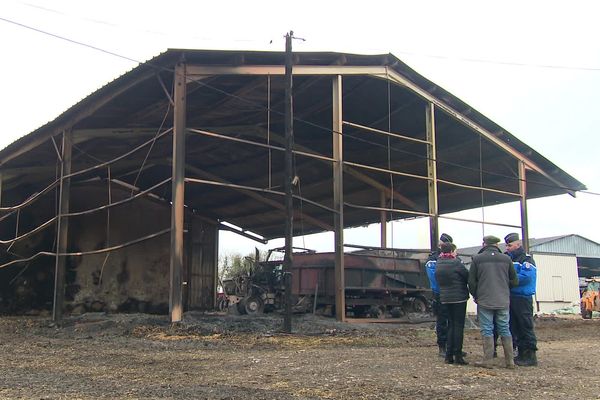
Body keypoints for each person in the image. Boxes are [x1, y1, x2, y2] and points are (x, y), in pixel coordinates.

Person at [468, 235, 519, 369]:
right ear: (497, 244)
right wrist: (504, 288)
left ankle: (488, 360)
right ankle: (510, 361)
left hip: (484, 299)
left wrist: (476, 295)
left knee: (487, 329)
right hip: (502, 299)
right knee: (504, 328)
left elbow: (471, 281)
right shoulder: (506, 259)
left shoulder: (477, 259)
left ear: (484, 244)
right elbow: (515, 281)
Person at [504, 232, 538, 367]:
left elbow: (526, 277)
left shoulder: (526, 260)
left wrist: (508, 280)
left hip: (522, 297)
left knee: (525, 326)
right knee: (514, 326)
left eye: (509, 245)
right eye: (506, 245)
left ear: (518, 244)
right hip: (511, 297)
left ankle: (530, 355)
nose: (507, 248)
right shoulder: (507, 259)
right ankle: (521, 352)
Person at [435, 242, 469, 365]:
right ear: (452, 251)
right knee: (458, 326)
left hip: (445, 298)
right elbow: (467, 276)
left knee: (450, 325)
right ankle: (458, 355)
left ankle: (448, 355)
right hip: (458, 298)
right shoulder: (456, 263)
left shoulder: (439, 263)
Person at [426, 233, 452, 357]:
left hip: (450, 293)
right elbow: (433, 276)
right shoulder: (433, 259)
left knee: (451, 321)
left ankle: (451, 346)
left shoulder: (452, 258)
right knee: (442, 321)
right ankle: (442, 346)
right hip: (440, 293)